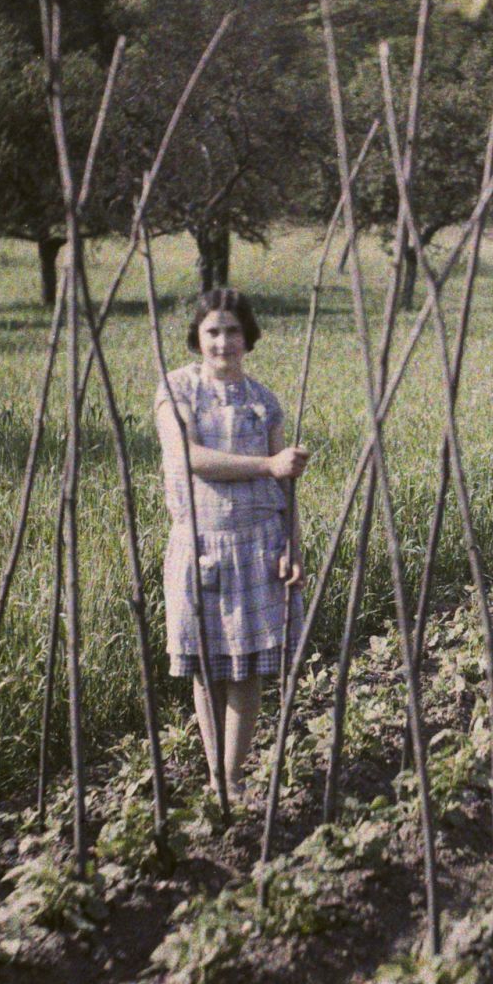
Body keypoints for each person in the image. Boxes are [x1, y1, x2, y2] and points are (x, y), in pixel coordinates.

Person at [154, 287, 308, 803]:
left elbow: (286, 486)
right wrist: (268, 465)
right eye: (213, 331)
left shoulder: (263, 401)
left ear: (249, 337)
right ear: (197, 339)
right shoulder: (177, 390)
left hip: (260, 545)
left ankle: (232, 776)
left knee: (248, 669)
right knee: (207, 664)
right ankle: (214, 775)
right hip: (202, 547)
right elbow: (188, 458)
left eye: (233, 331)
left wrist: (294, 545)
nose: (224, 342)